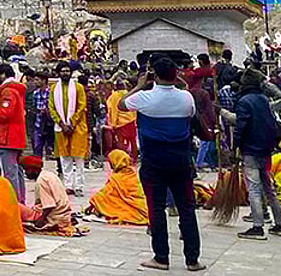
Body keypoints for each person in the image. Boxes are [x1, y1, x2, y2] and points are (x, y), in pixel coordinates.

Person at [120, 56, 205, 272]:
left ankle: (161, 257)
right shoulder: (186, 98)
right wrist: (178, 82)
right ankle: (192, 259)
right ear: (175, 74)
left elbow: (122, 105)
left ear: (154, 76)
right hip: (181, 159)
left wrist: (139, 85)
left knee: (156, 208)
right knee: (187, 207)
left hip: (154, 160)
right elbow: (191, 109)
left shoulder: (144, 98)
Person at [233, 68, 281, 241]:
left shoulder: (244, 101)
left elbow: (241, 126)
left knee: (254, 189)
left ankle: (258, 226)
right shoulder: (265, 100)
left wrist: (235, 146)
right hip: (266, 149)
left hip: (250, 149)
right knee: (269, 188)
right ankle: (279, 224)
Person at [0, 62, 27, 203]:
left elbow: (6, 114)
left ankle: (14, 203)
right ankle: (20, 200)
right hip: (15, 137)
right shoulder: (14, 90)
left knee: (10, 172)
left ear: (4, 75)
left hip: (8, 137)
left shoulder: (8, 91)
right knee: (16, 171)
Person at [49, 62, 88, 196]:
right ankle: (68, 186)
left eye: (67, 71)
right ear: (58, 73)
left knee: (78, 158)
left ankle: (79, 186)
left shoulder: (78, 88)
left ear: (71, 73)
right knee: (65, 158)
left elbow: (81, 106)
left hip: (77, 127)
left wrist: (71, 123)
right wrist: (62, 124)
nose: (65, 73)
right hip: (61, 128)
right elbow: (51, 107)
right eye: (63, 71)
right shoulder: (54, 88)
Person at [86, 149, 149, 225]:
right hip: (140, 207)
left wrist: (95, 202)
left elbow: (106, 193)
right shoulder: (132, 175)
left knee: (99, 198)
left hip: (126, 207)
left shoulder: (117, 178)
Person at [19, 168, 77, 235]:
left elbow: (49, 206)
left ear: (33, 169)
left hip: (53, 216)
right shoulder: (49, 174)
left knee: (16, 206)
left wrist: (40, 221)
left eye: (26, 170)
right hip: (63, 215)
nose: (25, 173)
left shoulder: (42, 180)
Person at [105, 78, 138, 161]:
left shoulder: (114, 96)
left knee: (121, 142)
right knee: (132, 140)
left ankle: (123, 159)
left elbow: (113, 110)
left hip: (121, 122)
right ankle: (134, 157)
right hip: (131, 121)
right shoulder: (129, 93)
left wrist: (113, 124)